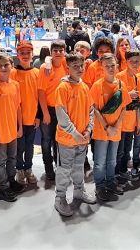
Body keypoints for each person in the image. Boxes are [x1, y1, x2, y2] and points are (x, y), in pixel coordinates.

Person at [54, 53, 96, 217]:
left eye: (81, 66)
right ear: (68, 68)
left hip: (83, 138)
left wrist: (88, 129)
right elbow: (61, 114)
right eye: (75, 66)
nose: (79, 69)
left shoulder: (84, 87)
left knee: (79, 167)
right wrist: (74, 133)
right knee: (64, 169)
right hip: (67, 139)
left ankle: (79, 190)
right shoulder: (63, 88)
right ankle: (60, 197)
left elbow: (90, 110)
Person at [90, 53, 131, 201]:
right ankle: (100, 186)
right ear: (102, 67)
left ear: (117, 65)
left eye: (113, 65)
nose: (111, 68)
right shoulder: (97, 86)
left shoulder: (121, 84)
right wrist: (108, 127)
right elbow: (95, 109)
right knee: (100, 161)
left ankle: (110, 182)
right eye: (107, 66)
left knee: (112, 160)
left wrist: (116, 126)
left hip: (116, 131)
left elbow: (124, 108)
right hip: (102, 131)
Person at [0, 54, 25, 202]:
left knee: (12, 158)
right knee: (1, 161)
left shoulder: (15, 85)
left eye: (6, 65)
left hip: (12, 130)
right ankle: (3, 187)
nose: (3, 68)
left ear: (11, 66)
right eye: (0, 65)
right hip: (0, 132)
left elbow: (17, 108)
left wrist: (20, 126)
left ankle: (11, 180)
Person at [11, 41, 40, 185]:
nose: (25, 55)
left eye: (28, 52)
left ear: (32, 54)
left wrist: (38, 116)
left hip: (32, 118)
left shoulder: (37, 73)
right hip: (17, 119)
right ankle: (19, 169)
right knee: (19, 147)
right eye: (22, 53)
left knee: (30, 146)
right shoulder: (12, 73)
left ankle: (28, 168)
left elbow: (40, 97)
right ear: (17, 55)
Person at [38, 40, 68, 181]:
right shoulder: (45, 68)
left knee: (59, 141)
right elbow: (41, 93)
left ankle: (59, 166)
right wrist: (45, 113)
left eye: (60, 50)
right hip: (49, 110)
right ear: (51, 52)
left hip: (61, 110)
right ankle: (48, 168)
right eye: (55, 51)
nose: (58, 53)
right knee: (46, 141)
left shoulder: (64, 64)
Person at [115, 51, 140, 181]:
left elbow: (137, 103)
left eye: (137, 61)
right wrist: (128, 94)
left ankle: (124, 171)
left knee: (127, 151)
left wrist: (138, 122)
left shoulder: (137, 78)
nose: (135, 64)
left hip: (131, 123)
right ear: (126, 62)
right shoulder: (119, 77)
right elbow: (115, 99)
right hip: (121, 122)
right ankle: (117, 173)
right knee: (119, 152)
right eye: (132, 61)